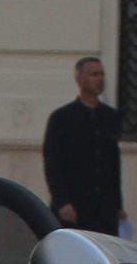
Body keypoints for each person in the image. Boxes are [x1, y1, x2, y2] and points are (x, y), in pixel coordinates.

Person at [43, 56, 126, 237]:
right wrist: (63, 201)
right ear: (79, 79)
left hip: (104, 210)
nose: (100, 79)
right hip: (74, 207)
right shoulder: (62, 118)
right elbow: (53, 164)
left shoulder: (111, 117)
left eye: (102, 74)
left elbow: (113, 163)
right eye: (94, 74)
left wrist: (118, 205)